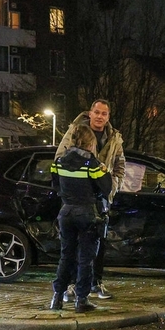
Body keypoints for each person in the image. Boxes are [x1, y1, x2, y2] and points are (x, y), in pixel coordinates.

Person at [54, 99, 125, 301]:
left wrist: (113, 187)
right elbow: (60, 158)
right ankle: (73, 289)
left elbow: (120, 165)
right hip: (79, 200)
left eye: (104, 113)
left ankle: (94, 284)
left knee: (98, 245)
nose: (100, 116)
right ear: (90, 113)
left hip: (101, 200)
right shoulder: (76, 131)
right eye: (97, 112)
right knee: (78, 250)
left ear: (108, 117)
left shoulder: (114, 138)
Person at [48, 125, 112, 313]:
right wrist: (104, 170)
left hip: (66, 212)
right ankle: (81, 300)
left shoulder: (59, 162)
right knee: (86, 259)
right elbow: (105, 188)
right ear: (89, 143)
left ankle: (57, 297)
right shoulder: (92, 164)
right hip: (86, 214)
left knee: (66, 256)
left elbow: (56, 186)